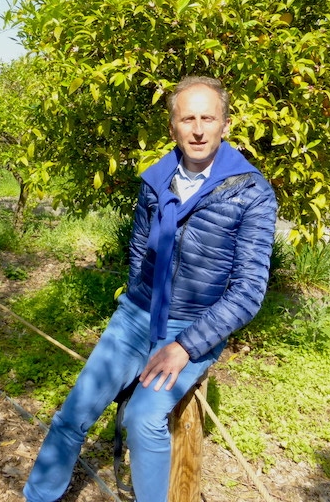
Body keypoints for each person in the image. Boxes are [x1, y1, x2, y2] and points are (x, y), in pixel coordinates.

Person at [22, 76, 277, 502]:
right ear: (173, 127)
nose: (198, 130)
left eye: (208, 118)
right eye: (188, 119)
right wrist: (136, 315)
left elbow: (248, 290)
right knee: (73, 413)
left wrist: (186, 346)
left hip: (192, 325)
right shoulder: (156, 180)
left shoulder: (251, 191)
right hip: (138, 314)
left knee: (142, 419)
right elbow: (140, 252)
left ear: (225, 124)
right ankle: (37, 496)